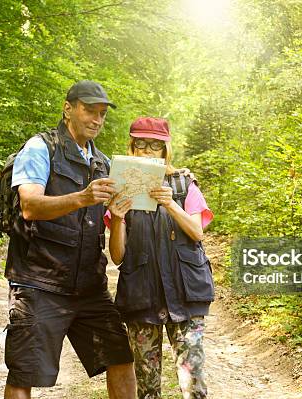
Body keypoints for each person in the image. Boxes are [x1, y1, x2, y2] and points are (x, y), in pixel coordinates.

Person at [3, 80, 136, 399]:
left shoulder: (103, 163)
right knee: (25, 372)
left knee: (121, 358)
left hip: (89, 286)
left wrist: (118, 215)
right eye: (89, 111)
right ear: (68, 108)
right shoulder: (40, 147)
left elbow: (106, 232)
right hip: (39, 283)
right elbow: (30, 206)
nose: (97, 119)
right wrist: (83, 197)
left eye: (102, 114)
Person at [105, 117, 215, 399]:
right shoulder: (120, 187)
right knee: (147, 384)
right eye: (140, 144)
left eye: (154, 145)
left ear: (165, 150)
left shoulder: (184, 184)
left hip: (185, 294)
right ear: (131, 148)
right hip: (142, 296)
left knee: (194, 383)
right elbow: (117, 257)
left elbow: (196, 232)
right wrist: (117, 219)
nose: (147, 151)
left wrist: (170, 204)